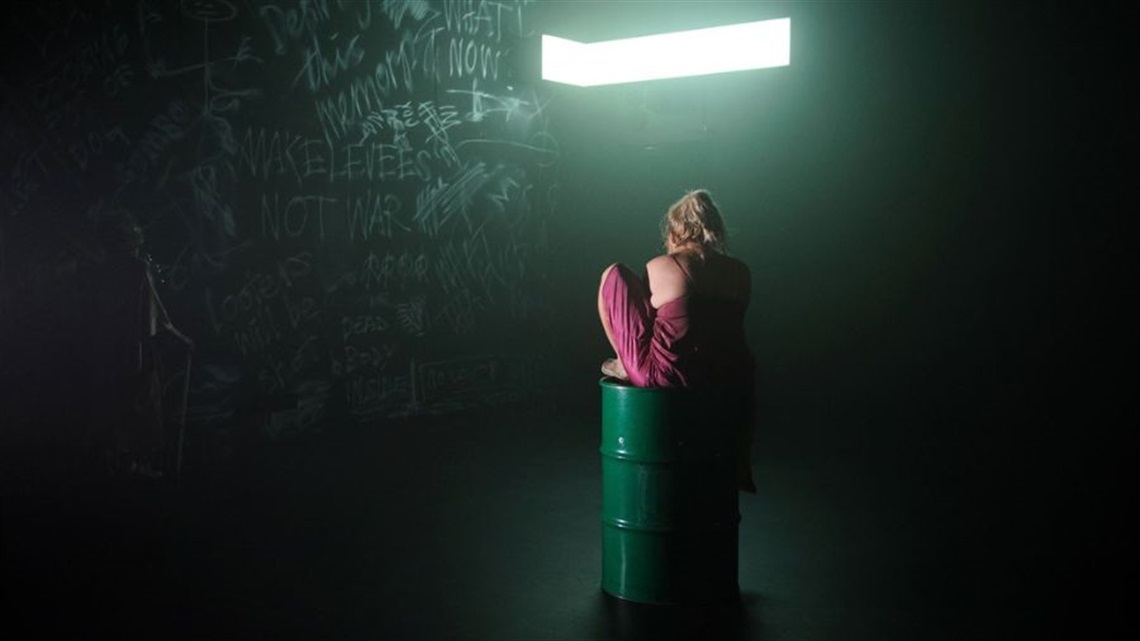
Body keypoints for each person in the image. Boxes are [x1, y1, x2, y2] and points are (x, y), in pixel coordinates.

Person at [597, 189, 756, 491]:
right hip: (725, 377)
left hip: (665, 377)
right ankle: (741, 462)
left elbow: (642, 321)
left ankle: (624, 364)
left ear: (675, 229)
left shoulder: (663, 266)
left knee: (613, 275)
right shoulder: (741, 272)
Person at [85, 211, 193, 479]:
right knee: (141, 410)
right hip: (135, 354)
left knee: (114, 410)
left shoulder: (98, 272)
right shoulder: (136, 269)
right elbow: (155, 315)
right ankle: (135, 467)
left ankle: (114, 464)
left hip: (104, 353)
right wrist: (181, 339)